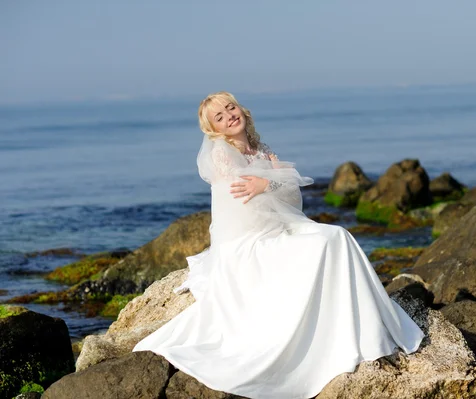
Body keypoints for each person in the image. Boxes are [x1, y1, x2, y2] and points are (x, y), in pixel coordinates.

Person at [132, 91, 426, 399]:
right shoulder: (221, 153)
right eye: (219, 117)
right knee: (331, 240)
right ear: (214, 130)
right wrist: (271, 180)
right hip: (248, 242)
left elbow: (288, 197)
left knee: (339, 237)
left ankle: (364, 331)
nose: (229, 115)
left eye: (230, 108)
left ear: (241, 109)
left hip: (277, 228)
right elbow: (250, 198)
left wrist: (270, 181)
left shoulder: (259, 149)